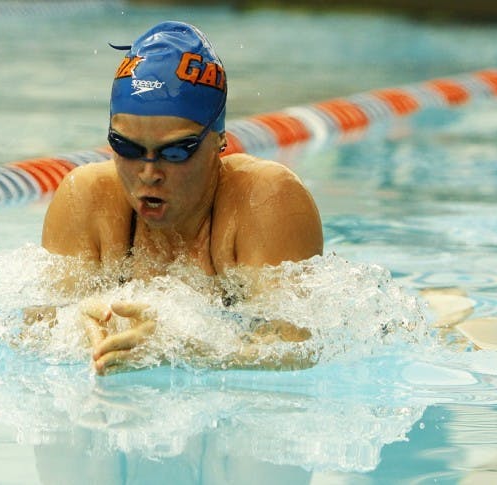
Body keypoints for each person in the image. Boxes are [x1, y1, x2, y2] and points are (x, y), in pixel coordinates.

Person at [39, 21, 323, 374]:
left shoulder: (263, 199)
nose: (148, 172)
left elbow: (298, 348)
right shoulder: (87, 199)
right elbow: (29, 335)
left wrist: (187, 349)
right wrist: (72, 331)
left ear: (218, 140)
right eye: (126, 147)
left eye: (174, 152)